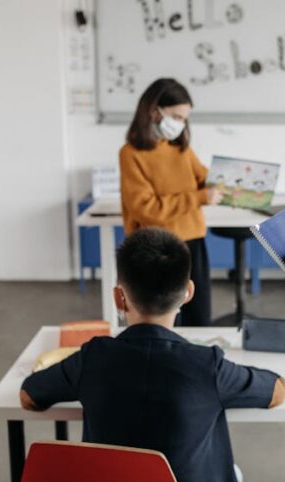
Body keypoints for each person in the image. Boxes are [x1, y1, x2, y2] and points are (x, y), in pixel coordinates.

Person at [21, 228, 285, 482]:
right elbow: (277, 391)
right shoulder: (206, 365)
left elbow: (29, 396)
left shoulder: (93, 358)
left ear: (119, 296)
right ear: (188, 292)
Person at [120, 78, 223, 326]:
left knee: (199, 316)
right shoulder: (131, 154)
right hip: (157, 248)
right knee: (158, 319)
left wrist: (226, 180)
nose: (180, 124)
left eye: (184, 119)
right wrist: (200, 197)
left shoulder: (181, 150)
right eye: (176, 117)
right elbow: (146, 209)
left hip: (193, 242)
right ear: (155, 111)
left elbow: (204, 177)